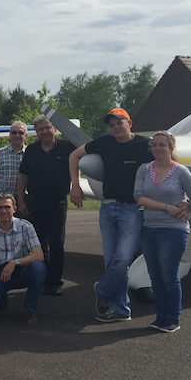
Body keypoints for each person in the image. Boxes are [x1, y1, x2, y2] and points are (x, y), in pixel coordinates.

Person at [69, 107, 153, 322]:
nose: (115, 127)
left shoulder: (145, 145)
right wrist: (76, 186)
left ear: (130, 123)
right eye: (112, 124)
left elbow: (168, 160)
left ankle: (103, 289)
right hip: (107, 207)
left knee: (123, 257)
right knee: (111, 259)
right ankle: (121, 309)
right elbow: (75, 155)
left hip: (132, 208)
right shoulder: (105, 142)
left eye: (119, 122)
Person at [134, 131, 191, 333]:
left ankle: (173, 318)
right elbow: (139, 197)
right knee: (154, 276)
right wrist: (168, 207)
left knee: (168, 275)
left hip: (173, 231)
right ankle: (161, 316)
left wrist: (185, 208)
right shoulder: (144, 170)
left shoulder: (181, 172)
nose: (157, 148)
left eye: (162, 145)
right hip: (149, 228)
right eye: (154, 145)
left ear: (170, 148)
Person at [17, 115, 76, 296]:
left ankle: (55, 282)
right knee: (38, 244)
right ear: (36, 132)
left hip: (57, 203)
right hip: (35, 202)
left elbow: (86, 155)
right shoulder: (32, 150)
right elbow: (22, 176)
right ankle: (41, 280)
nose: (44, 132)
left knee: (57, 244)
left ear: (55, 129)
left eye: (47, 128)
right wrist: (20, 201)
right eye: (40, 129)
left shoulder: (67, 147)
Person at [0, 193, 46, 326]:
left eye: (7, 207)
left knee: (39, 268)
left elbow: (39, 255)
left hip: (21, 270)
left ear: (14, 209)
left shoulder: (26, 227)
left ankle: (30, 310)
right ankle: (2, 300)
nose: (3, 211)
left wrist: (14, 262)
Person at [0, 121, 27, 196]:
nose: (17, 135)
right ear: (10, 135)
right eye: (14, 132)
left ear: (26, 136)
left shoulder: (30, 154)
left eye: (20, 133)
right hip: (3, 198)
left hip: (24, 198)